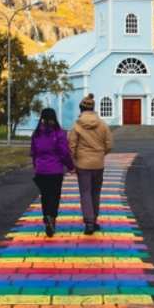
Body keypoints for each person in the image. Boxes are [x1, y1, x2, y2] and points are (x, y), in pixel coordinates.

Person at [68, 93, 113, 236]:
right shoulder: (103, 124)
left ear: (81, 109)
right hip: (98, 163)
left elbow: (71, 146)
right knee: (96, 192)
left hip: (83, 164)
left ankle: (89, 222)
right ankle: (94, 220)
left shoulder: (76, 126)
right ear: (94, 108)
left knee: (85, 192)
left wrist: (74, 160)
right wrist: (101, 154)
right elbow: (109, 144)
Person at [30, 107, 74, 237]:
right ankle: (52, 218)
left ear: (42, 118)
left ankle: (46, 216)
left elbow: (33, 153)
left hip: (41, 170)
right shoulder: (59, 133)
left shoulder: (36, 134)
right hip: (55, 171)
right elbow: (64, 153)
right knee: (54, 196)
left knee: (44, 195)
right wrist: (71, 166)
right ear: (54, 118)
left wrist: (36, 166)